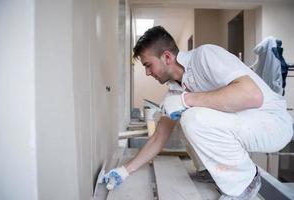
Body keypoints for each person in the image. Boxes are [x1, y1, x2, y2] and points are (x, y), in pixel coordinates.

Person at [102, 26, 293, 199]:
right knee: (180, 115)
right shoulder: (175, 90)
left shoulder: (205, 56)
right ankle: (208, 170)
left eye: (148, 65)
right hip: (248, 123)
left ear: (167, 57)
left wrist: (186, 100)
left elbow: (252, 96)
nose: (147, 73)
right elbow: (158, 138)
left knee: (193, 116)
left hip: (272, 123)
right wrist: (125, 171)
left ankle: (245, 184)